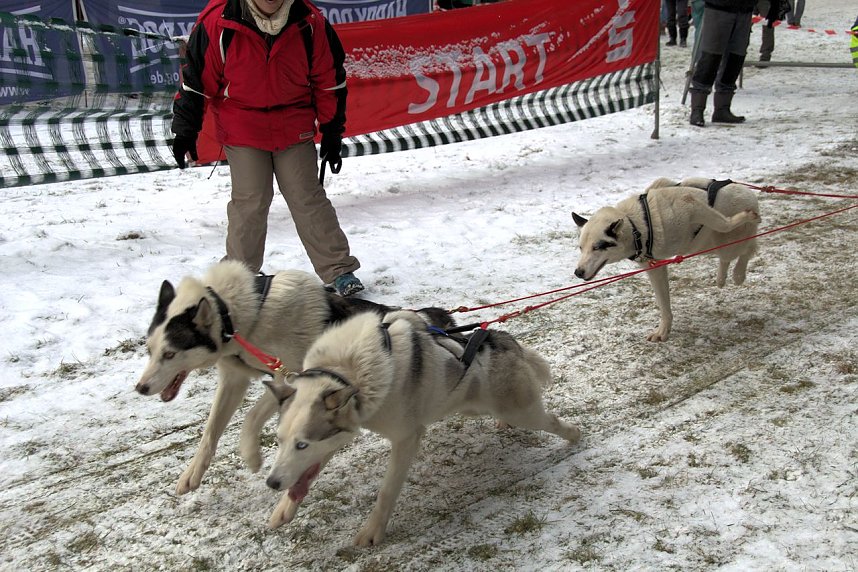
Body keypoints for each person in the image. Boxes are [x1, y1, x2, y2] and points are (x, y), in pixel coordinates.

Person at [170, 0, 365, 297]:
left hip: (293, 124)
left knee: (307, 197)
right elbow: (195, 83)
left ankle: (339, 269)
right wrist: (185, 130)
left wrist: (332, 132)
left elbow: (329, 82)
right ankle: (239, 277)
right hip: (243, 127)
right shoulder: (218, 22)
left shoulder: (310, 22)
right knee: (250, 201)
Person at [688, 0, 778, 127]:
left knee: (735, 59)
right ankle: (697, 110)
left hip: (744, 11)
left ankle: (722, 109)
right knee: (710, 58)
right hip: (718, 8)